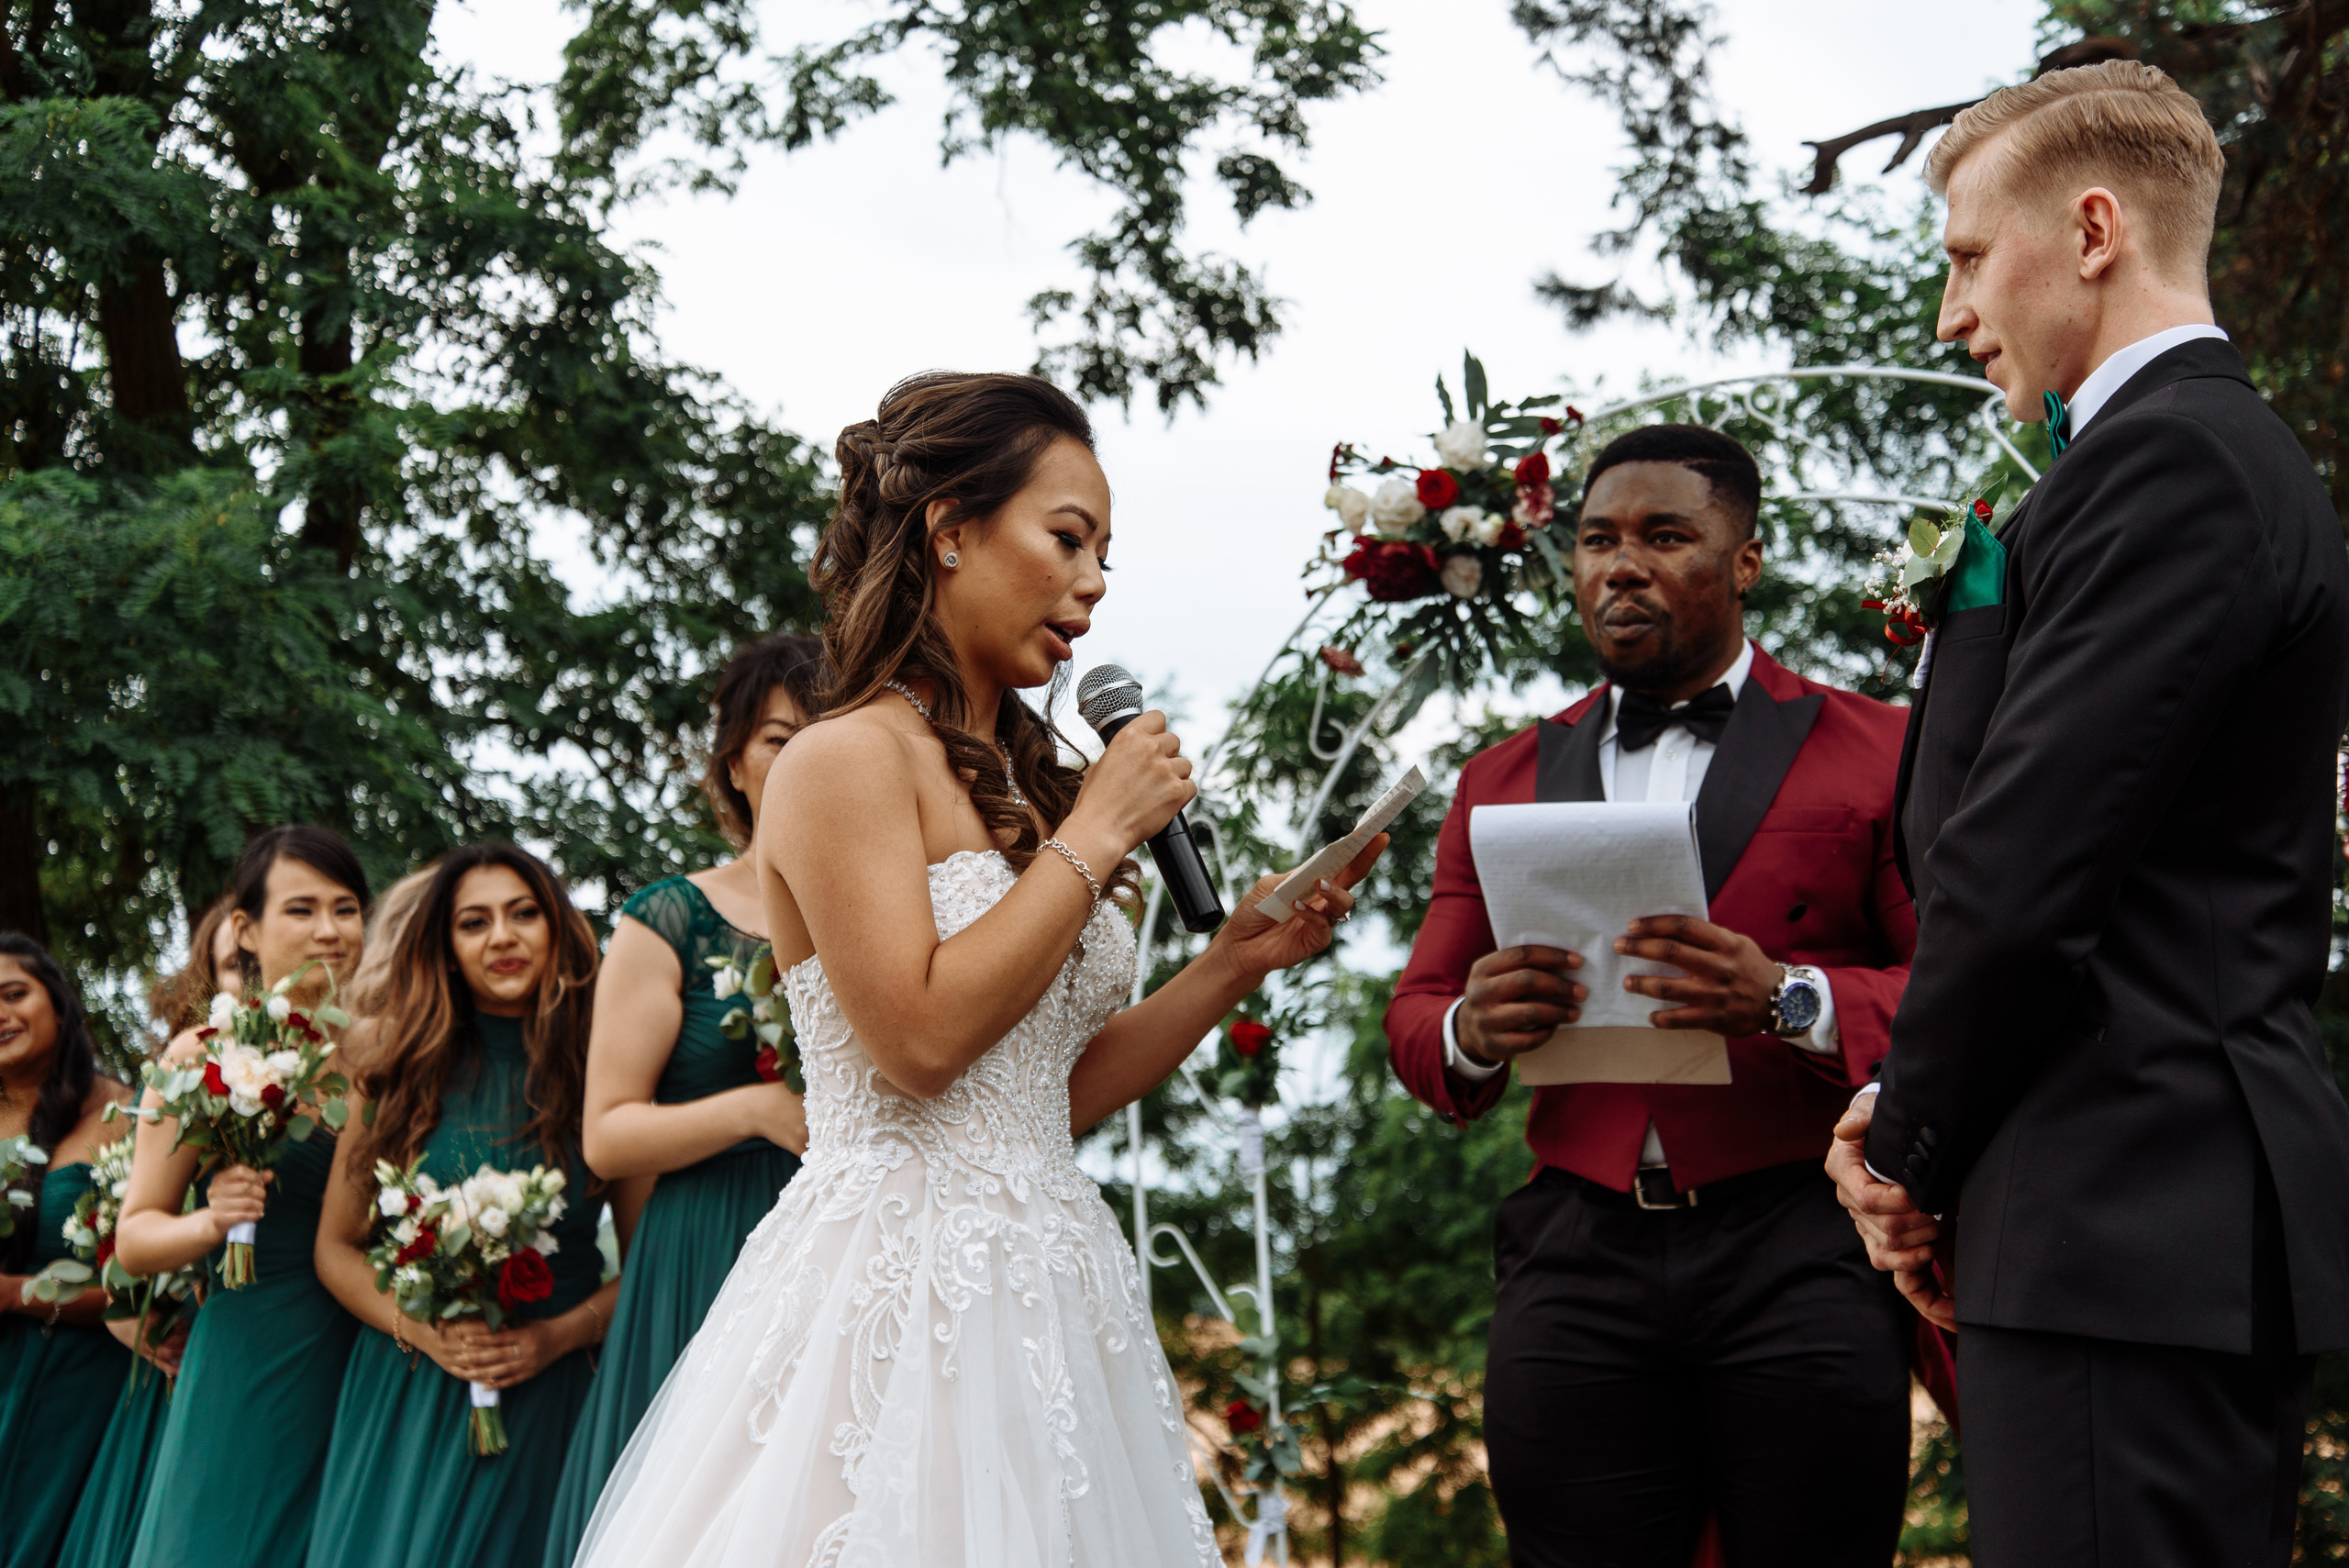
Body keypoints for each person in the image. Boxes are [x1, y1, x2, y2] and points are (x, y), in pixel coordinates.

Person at [572, 371, 1378, 1568]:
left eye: (1105, 555)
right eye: (1068, 538)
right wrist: (1096, 831)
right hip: (891, 1295)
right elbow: (921, 1041)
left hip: (1054, 1290)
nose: (1093, 582)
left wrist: (1231, 963)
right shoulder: (843, 759)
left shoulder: (1035, 791)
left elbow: (1044, 1091)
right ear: (950, 530)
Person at [1825, 61, 2349, 1567]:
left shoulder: (2171, 462)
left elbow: (2020, 872)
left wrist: (1904, 1147)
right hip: (2131, 1221)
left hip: (2131, 1208)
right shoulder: (2171, 462)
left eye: (1968, 257)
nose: (1950, 313)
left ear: (2095, 229)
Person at [1386, 425, 1922, 1568]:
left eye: (1664, 535)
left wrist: (1789, 998)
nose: (1620, 565)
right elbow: (1418, 1014)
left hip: (1801, 1240)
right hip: (1574, 1255)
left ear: (1745, 559)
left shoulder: (1880, 749)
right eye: (1596, 540)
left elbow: (1956, 993)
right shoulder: (1500, 779)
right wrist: (1472, 1027)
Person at [541, 632, 823, 1568]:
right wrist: (756, 1111)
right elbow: (608, 1134)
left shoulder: (893, 912)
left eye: (827, 734)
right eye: (781, 738)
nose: (806, 756)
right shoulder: (669, 917)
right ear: (734, 762)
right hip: (706, 1246)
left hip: (849, 1238)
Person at [306, 843, 635, 1568]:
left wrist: (555, 1338)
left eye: (523, 914)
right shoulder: (395, 1066)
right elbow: (335, 1246)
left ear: (557, 927)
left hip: (552, 1392)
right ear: (446, 946)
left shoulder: (608, 1067)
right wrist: (421, 1331)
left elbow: (645, 1261)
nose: (501, 937)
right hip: (411, 1389)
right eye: (474, 922)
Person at [116, 826, 369, 1568]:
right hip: (253, 1353)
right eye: (302, 909)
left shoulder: (391, 1055)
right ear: (246, 929)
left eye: (346, 908)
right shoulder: (202, 1052)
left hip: (372, 1353)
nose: (329, 929)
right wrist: (210, 1220)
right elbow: (135, 1236)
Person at [55, 911, 239, 1568]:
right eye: (236, 966)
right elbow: (118, 1237)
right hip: (183, 1352)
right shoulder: (171, 1097)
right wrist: (130, 1317)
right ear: (207, 982)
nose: (255, 979)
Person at [0, 933, 135, 1568]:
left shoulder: (126, 1114)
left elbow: (150, 1284)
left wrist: (15, 1295)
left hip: (82, 1391)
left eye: (13, 994)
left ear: (58, 1002)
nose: (1, 1014)